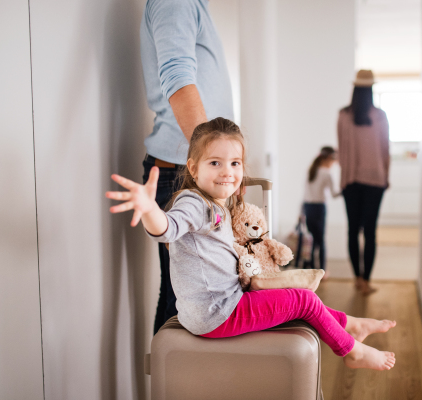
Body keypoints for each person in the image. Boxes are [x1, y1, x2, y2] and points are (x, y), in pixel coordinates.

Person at [106, 118, 397, 370]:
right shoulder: (194, 203)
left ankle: (349, 325)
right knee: (304, 300)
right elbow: (167, 229)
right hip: (217, 314)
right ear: (193, 169)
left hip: (221, 305)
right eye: (215, 163)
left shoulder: (216, 204)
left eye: (234, 163)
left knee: (296, 292)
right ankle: (352, 351)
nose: (227, 172)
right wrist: (149, 210)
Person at [140, 0, 234, 333]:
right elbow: (179, 80)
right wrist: (217, 164)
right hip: (187, 175)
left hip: (194, 171)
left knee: (186, 301)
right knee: (185, 305)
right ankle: (173, 387)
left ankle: (176, 386)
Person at [337, 70, 390, 295]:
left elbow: (343, 151)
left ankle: (357, 278)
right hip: (375, 180)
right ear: (370, 89)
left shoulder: (343, 115)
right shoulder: (379, 115)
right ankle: (366, 280)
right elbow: (385, 149)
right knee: (370, 232)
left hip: (351, 181)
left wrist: (344, 180)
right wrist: (385, 177)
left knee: (352, 230)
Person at [302, 146, 340, 275]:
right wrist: (346, 188)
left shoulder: (311, 170)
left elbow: (305, 194)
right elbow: (335, 194)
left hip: (307, 207)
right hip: (319, 208)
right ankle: (323, 271)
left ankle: (313, 269)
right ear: (330, 158)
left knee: (312, 239)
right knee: (321, 240)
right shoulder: (327, 173)